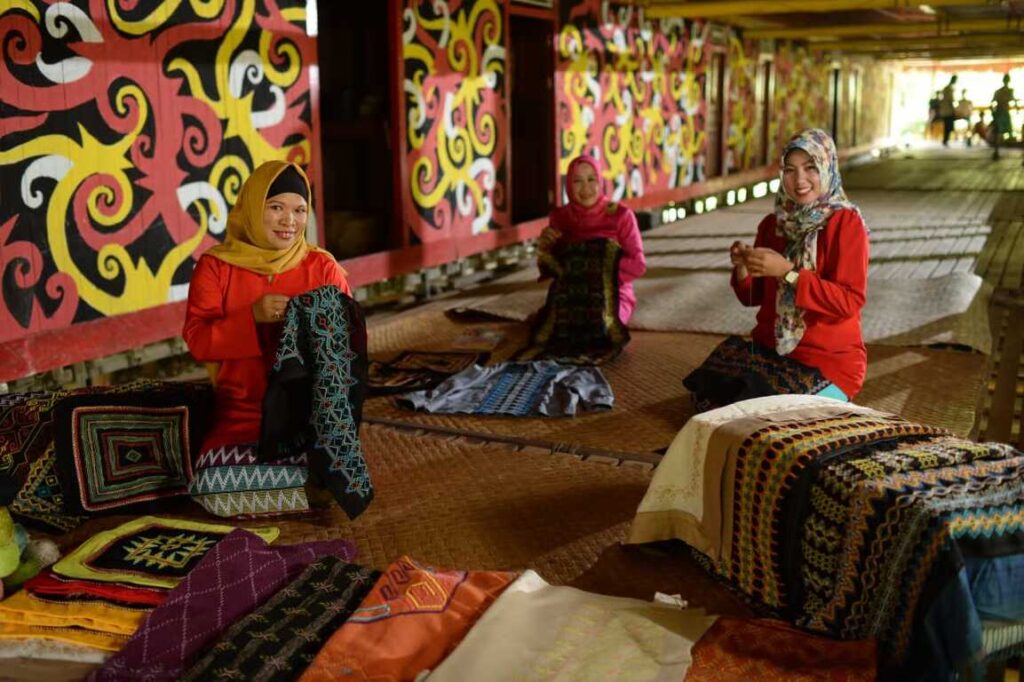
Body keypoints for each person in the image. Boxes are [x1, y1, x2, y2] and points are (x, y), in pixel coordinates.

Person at [182, 160, 352, 516]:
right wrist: (251, 318)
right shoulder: (216, 267)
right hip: (240, 413)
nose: (289, 220)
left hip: (307, 416)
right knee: (210, 488)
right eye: (276, 207)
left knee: (336, 466)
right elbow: (198, 340)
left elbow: (346, 348)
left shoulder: (322, 267)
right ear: (252, 207)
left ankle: (296, 487)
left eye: (299, 210)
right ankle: (302, 494)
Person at [728, 129, 869, 402]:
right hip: (771, 351)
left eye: (810, 168)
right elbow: (753, 297)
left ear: (827, 168)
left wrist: (787, 272)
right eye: (790, 170)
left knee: (771, 414)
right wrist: (744, 267)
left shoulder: (846, 224)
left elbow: (848, 302)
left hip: (826, 361)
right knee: (714, 390)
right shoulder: (774, 224)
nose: (799, 180)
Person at [537, 155, 646, 324]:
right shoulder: (560, 217)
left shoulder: (621, 215)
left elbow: (638, 265)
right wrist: (545, 249)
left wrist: (595, 266)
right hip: (573, 291)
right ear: (568, 185)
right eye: (577, 181)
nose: (585, 188)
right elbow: (550, 270)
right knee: (557, 325)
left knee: (602, 323)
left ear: (600, 181)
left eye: (591, 179)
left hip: (613, 291)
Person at [991, 73, 1017, 160]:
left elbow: (992, 103)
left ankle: (997, 151)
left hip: (999, 113)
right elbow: (1013, 100)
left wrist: (993, 113)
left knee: (999, 133)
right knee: (1004, 132)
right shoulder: (1009, 91)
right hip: (1003, 113)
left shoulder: (999, 91)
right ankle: (998, 151)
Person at [939, 75, 958, 147]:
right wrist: (953, 110)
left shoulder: (947, 88)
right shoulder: (949, 88)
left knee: (947, 126)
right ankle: (945, 140)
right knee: (948, 126)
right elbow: (950, 100)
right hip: (948, 111)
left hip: (945, 110)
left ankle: (945, 140)